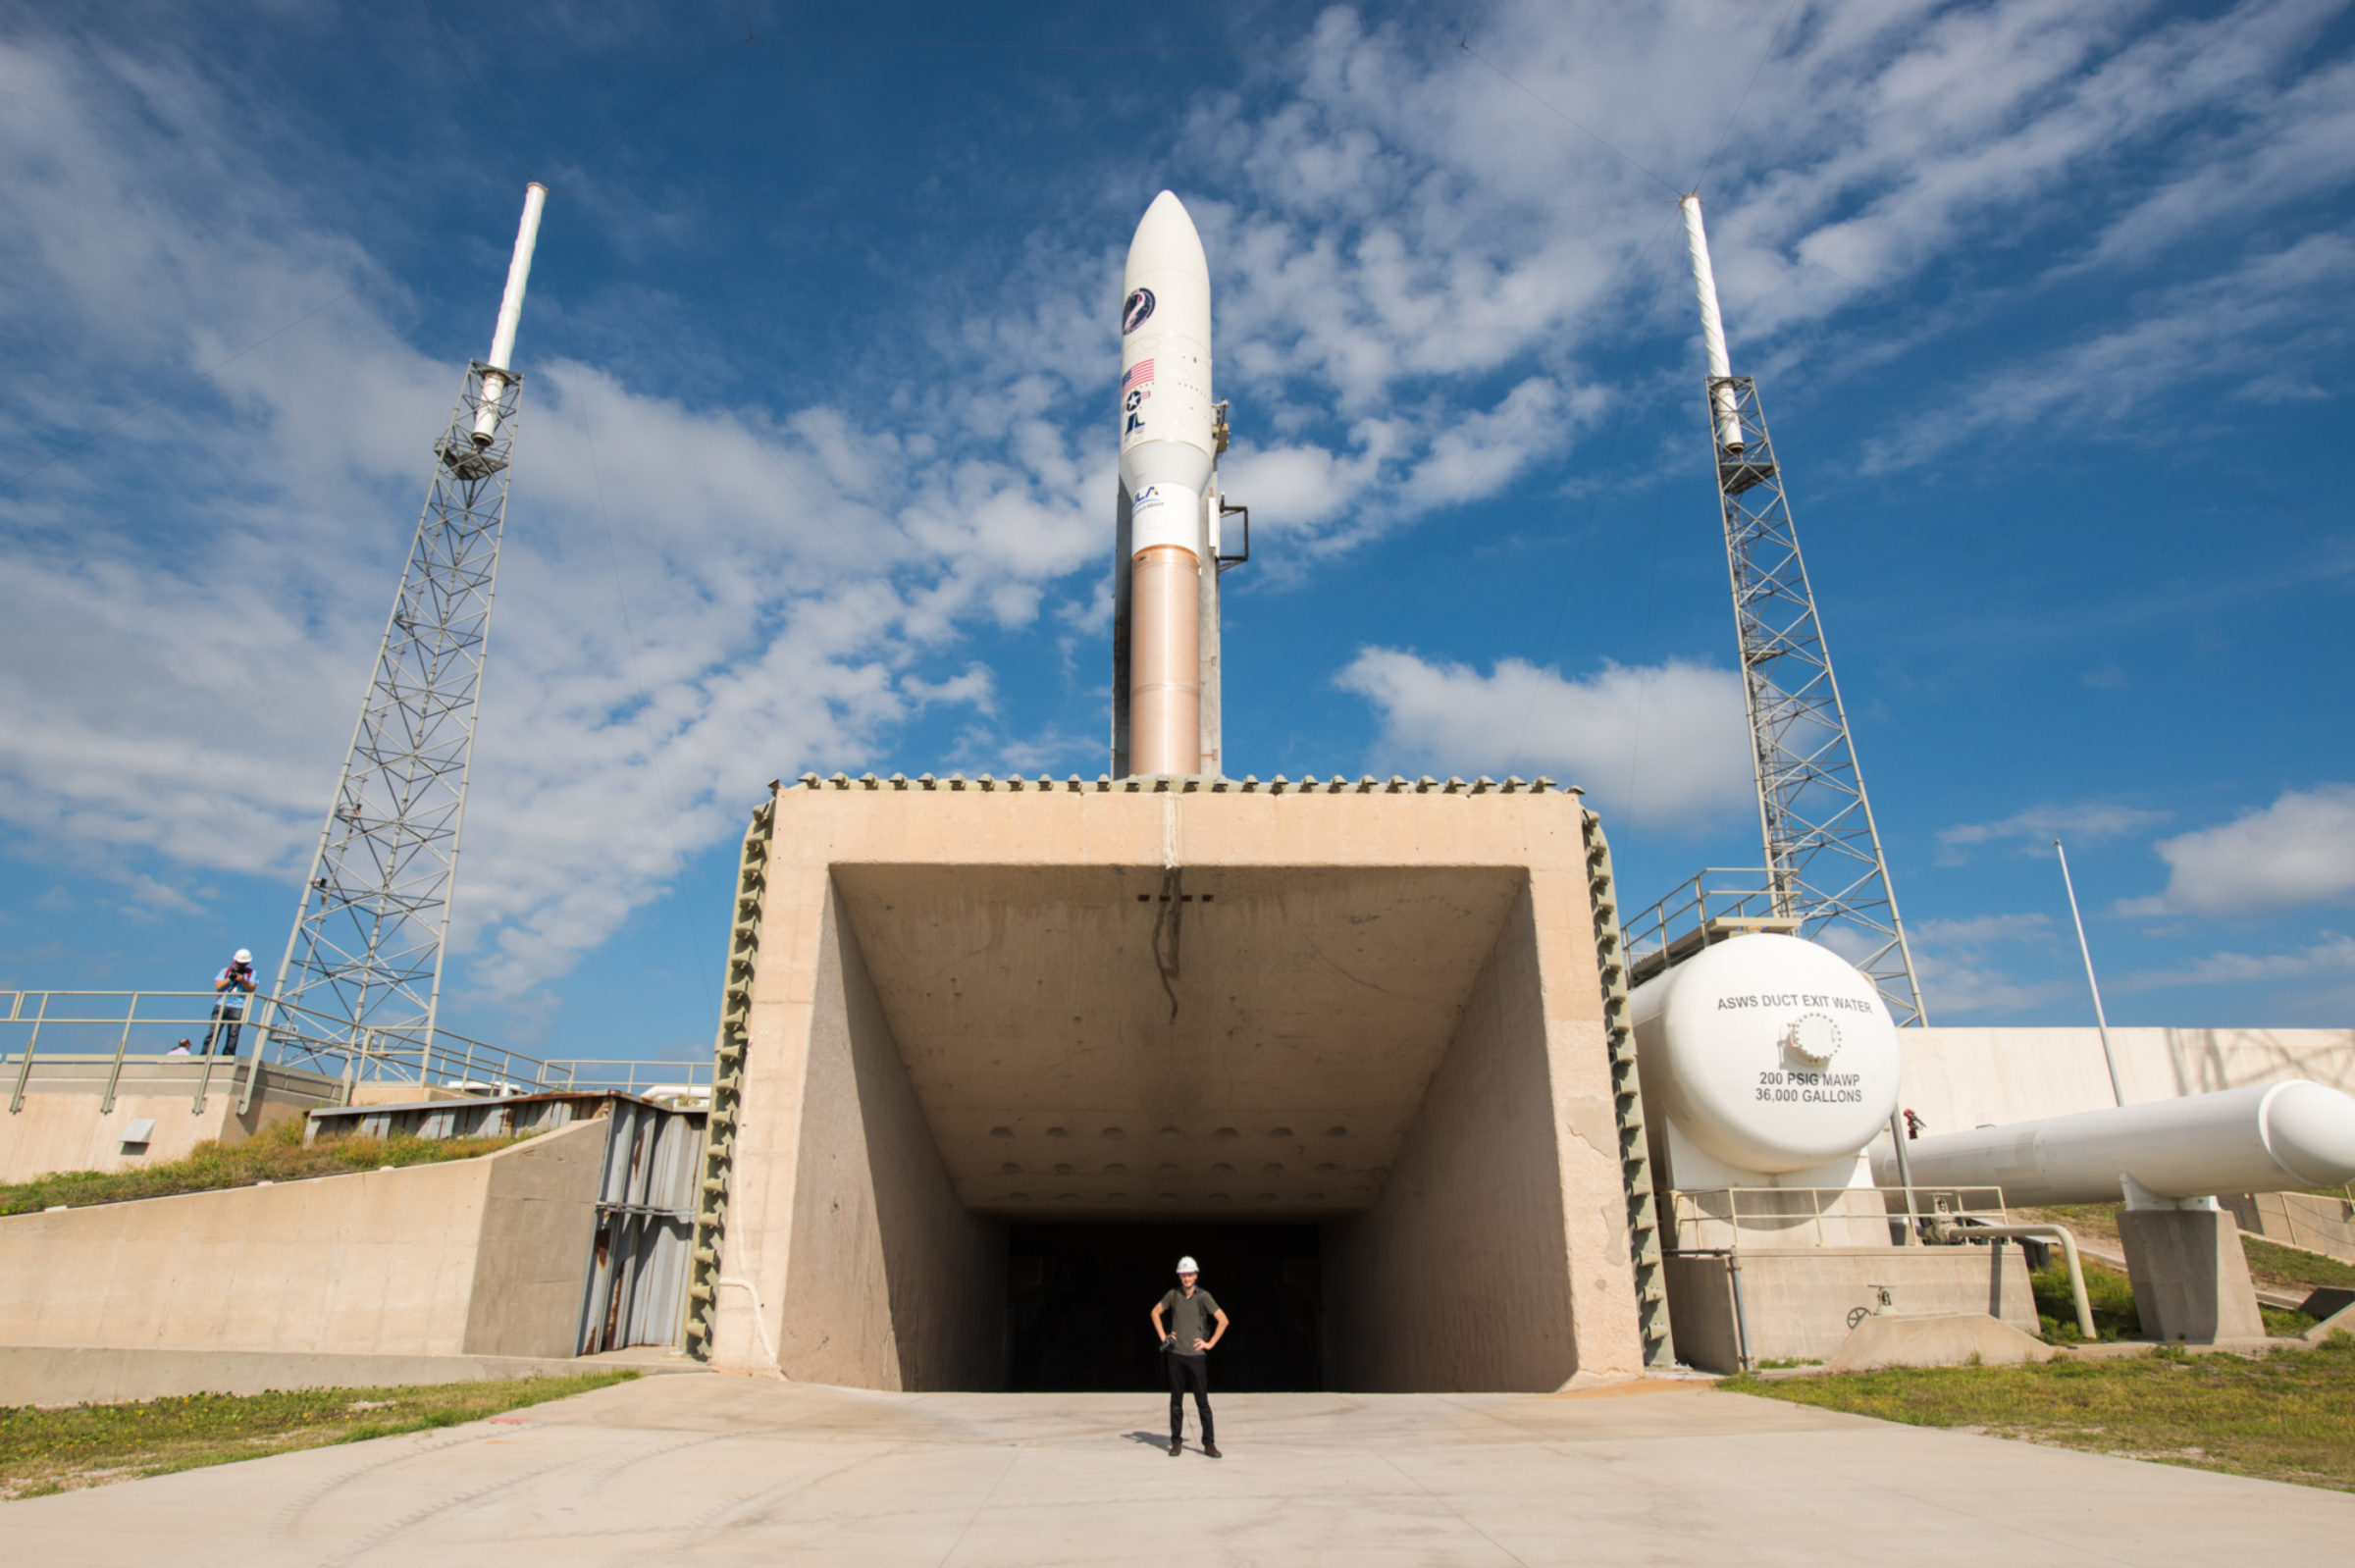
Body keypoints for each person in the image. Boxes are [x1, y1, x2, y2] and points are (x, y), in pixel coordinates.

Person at [1150, 1254, 1228, 1458]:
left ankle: (1209, 1444)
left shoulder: (1204, 1297)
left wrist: (1209, 1344)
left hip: (1196, 1357)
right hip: (1175, 1355)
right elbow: (1155, 1312)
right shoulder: (1173, 1296)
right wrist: (1164, 1338)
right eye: (1183, 1275)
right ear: (1179, 1276)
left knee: (1202, 1402)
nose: (1187, 1278)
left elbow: (1223, 1320)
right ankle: (1176, 1442)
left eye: (1190, 1274)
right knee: (1176, 1402)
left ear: (1196, 1275)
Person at [204, 949, 257, 1057]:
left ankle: (227, 1055)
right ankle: (206, 1054)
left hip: (239, 1006)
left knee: (233, 1033)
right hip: (221, 1004)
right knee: (214, 1031)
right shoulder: (225, 971)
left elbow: (251, 988)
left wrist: (242, 980)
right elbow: (218, 987)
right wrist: (230, 978)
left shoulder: (252, 973)